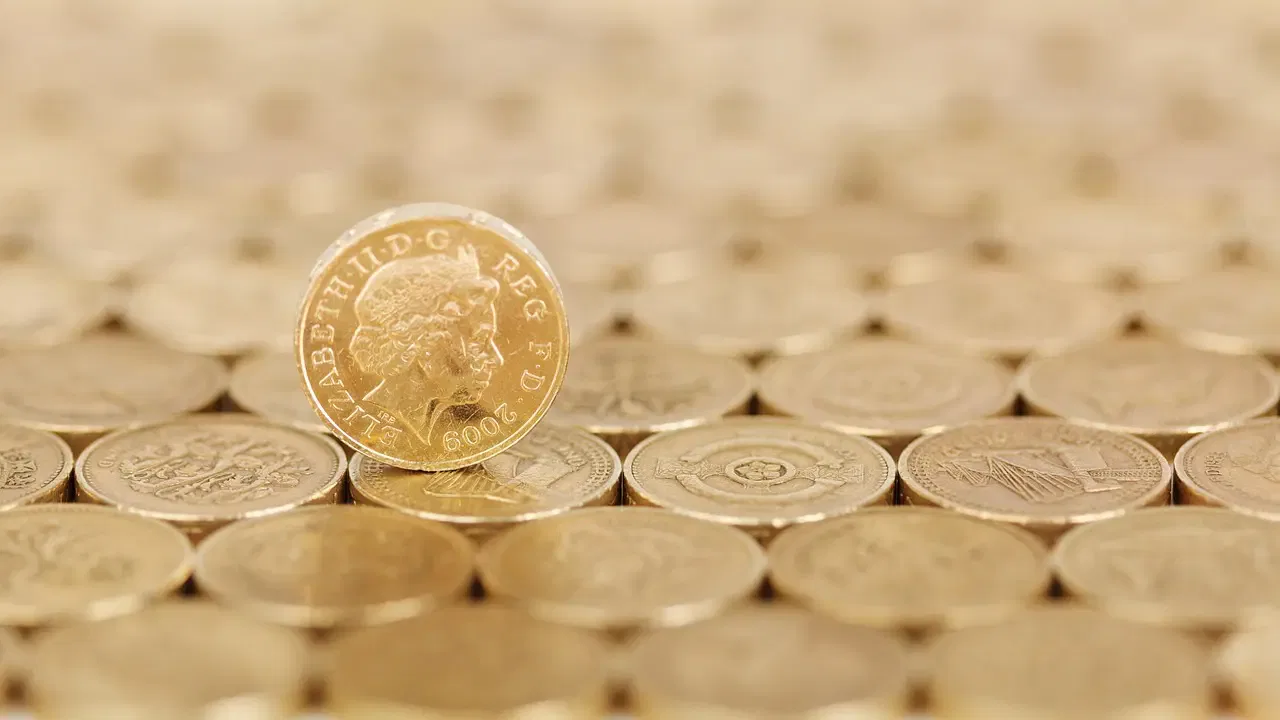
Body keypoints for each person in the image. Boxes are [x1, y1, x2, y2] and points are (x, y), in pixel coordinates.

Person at [349, 244, 504, 445]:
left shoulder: (421, 426)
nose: (496, 360)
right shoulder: (378, 421)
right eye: (479, 341)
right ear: (423, 345)